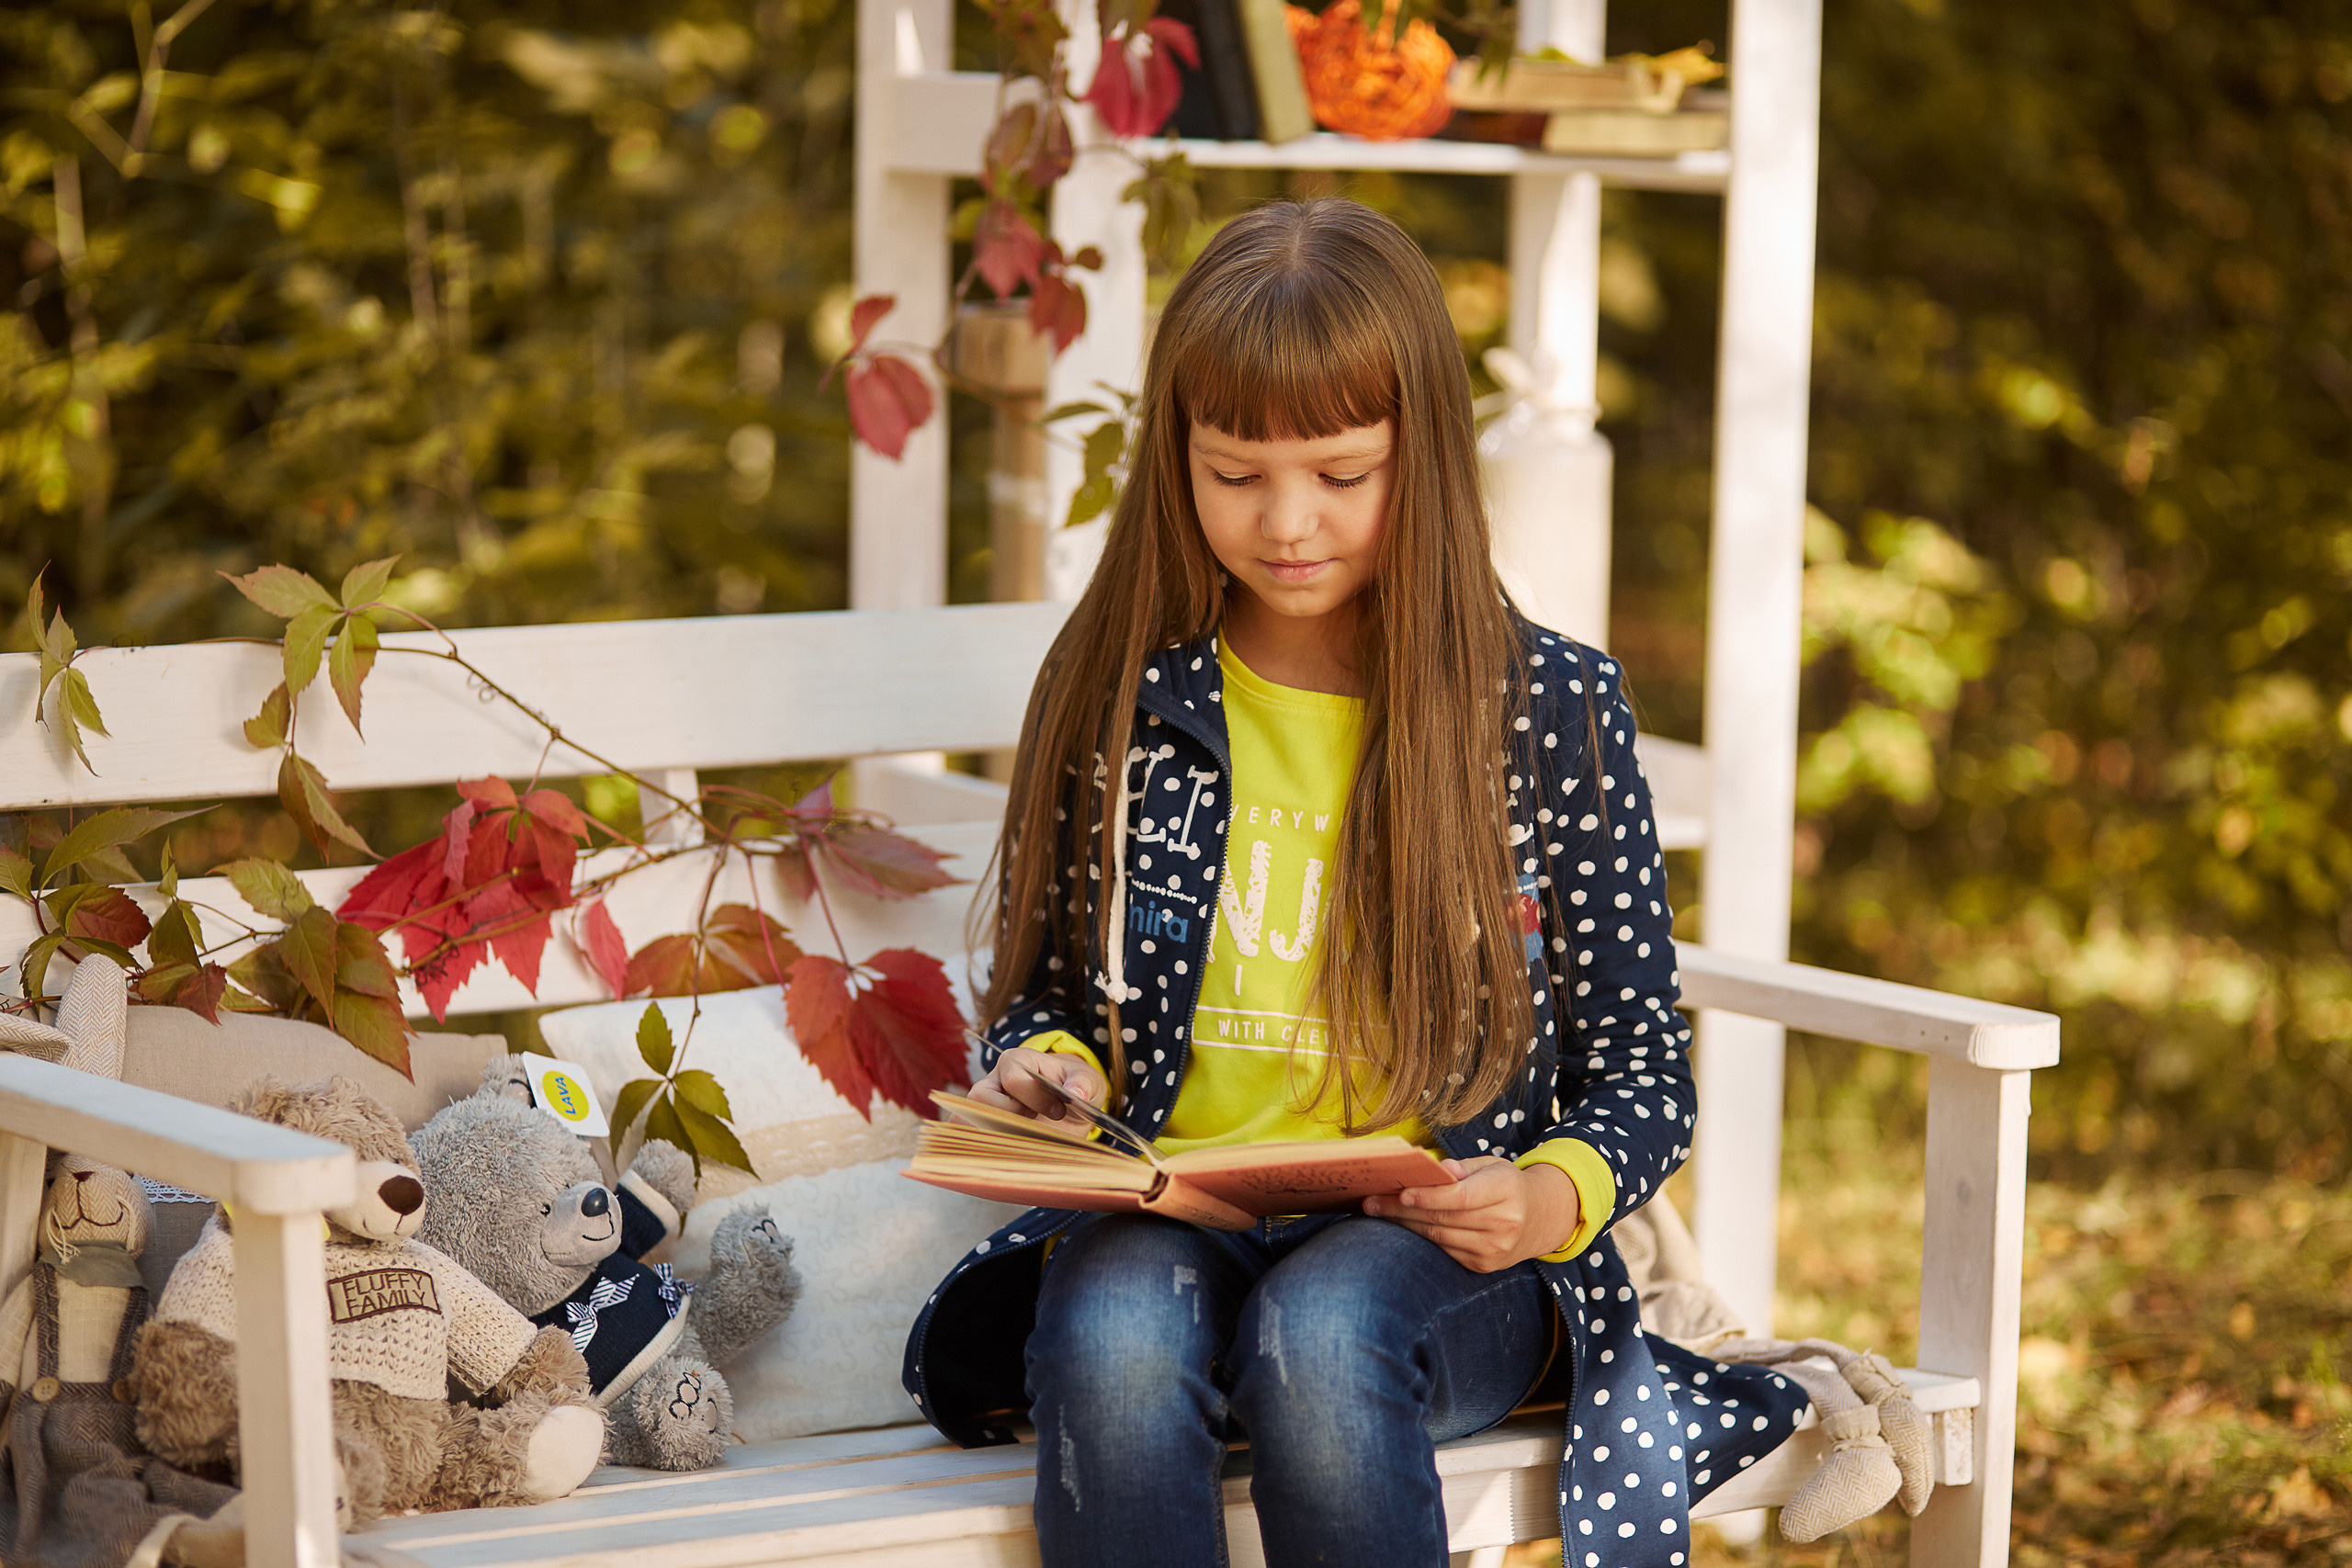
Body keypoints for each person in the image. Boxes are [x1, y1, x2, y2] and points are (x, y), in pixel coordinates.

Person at [902, 198, 1804, 1568]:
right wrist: (1052, 1068)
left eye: (1340, 473)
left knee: (1320, 1333)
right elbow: (1049, 994)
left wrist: (1546, 1197)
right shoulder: (1122, 693)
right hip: (1181, 1218)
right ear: (1177, 461)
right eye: (1235, 473)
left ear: (1422, 452)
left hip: (1442, 1258)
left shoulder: (1544, 710)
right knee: (1111, 1330)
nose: (1287, 522)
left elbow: (1643, 1073)